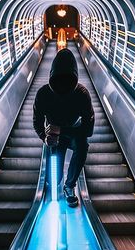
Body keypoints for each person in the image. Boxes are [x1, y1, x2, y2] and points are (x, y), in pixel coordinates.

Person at [33, 48, 94, 207]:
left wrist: (60, 130)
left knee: (82, 147)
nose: (62, 89)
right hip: (56, 136)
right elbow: (37, 121)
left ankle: (70, 186)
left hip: (74, 132)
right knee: (53, 179)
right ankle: (59, 182)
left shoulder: (81, 94)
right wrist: (44, 137)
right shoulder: (43, 94)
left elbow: (89, 130)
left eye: (67, 82)